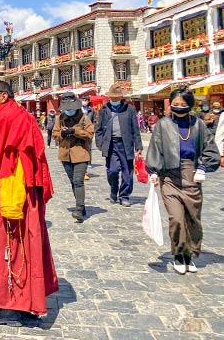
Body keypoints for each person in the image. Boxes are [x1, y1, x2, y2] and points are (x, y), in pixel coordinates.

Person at [0, 80, 58, 327]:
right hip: (25, 195)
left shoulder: (4, 119)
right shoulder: (23, 117)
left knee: (1, 247)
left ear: (2, 96)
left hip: (8, 195)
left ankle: (8, 307)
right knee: (26, 247)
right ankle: (27, 303)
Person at [146, 86, 220, 274]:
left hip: (192, 175)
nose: (178, 107)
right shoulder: (163, 124)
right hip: (169, 177)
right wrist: (154, 171)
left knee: (192, 219)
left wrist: (203, 167)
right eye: (175, 104)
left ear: (190, 106)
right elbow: (156, 149)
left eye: (182, 104)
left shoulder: (199, 125)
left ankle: (190, 254)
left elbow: (211, 150)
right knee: (177, 218)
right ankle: (178, 254)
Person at [94, 84, 142, 207]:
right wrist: (99, 143)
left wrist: (139, 147)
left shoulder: (129, 109)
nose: (115, 100)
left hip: (126, 145)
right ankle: (114, 190)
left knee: (127, 172)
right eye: (113, 98)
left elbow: (135, 129)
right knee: (112, 171)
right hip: (111, 145)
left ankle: (124, 196)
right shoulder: (104, 109)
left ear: (121, 97)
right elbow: (99, 129)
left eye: (117, 98)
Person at [52, 92, 94, 223]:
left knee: (78, 181)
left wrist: (75, 131)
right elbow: (54, 134)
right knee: (72, 181)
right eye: (66, 108)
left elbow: (90, 134)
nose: (69, 111)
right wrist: (62, 133)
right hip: (65, 154)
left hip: (81, 153)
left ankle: (79, 209)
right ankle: (81, 205)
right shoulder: (60, 118)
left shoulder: (84, 118)